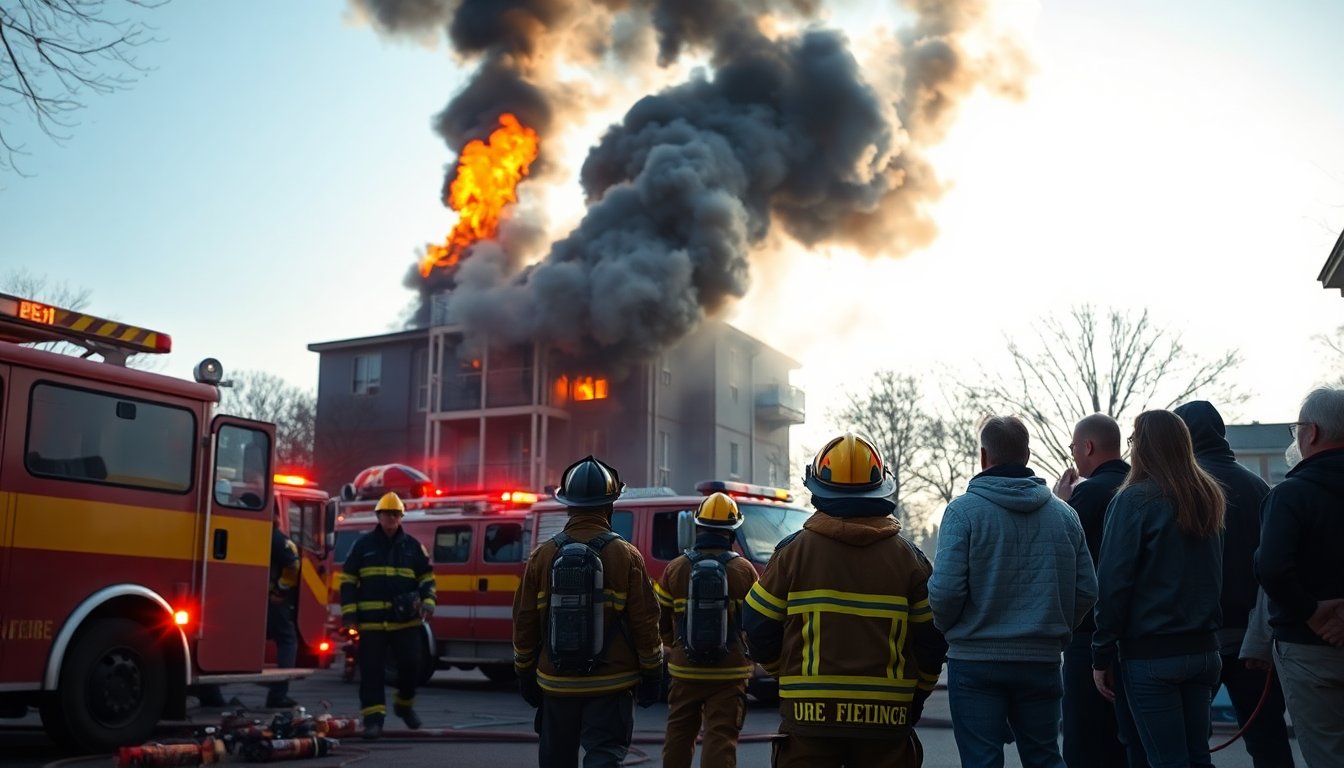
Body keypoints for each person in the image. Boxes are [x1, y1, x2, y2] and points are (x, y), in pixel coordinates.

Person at [743, 432, 946, 768]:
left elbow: (757, 624)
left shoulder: (792, 554)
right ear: (882, 489)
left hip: (808, 718)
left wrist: (787, 675)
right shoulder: (911, 561)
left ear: (817, 490)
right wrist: (916, 698)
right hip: (887, 722)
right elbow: (931, 642)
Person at [929, 415, 1095, 768]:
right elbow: (1087, 590)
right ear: (1027, 455)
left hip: (975, 661)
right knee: (1045, 757)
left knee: (982, 761)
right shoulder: (1064, 516)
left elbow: (944, 593)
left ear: (984, 457)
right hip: (1042, 660)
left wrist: (954, 630)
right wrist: (1056, 627)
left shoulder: (962, 513)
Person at [511, 456, 663, 768]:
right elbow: (645, 623)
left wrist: (525, 672)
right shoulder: (627, 555)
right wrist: (652, 674)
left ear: (567, 505)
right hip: (612, 684)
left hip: (556, 683)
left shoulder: (542, 556)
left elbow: (524, 621)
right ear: (610, 506)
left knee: (556, 759)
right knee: (604, 755)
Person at [1092, 410, 1225, 768]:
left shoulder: (1133, 500)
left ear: (1142, 448)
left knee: (1166, 761)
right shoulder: (1208, 497)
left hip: (1152, 653)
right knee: (1198, 757)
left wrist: (1101, 653)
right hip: (1205, 651)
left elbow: (1114, 584)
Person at [1175, 400, 1295, 768]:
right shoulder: (1260, 487)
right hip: (1254, 640)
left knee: (1188, 745)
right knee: (1269, 741)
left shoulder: (1182, 491)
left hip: (1196, 638)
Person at [1255, 387, 1344, 767]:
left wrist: (1312, 612)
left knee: (1327, 753)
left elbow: (1272, 567)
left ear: (1311, 433)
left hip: (1308, 649)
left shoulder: (1291, 495)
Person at [1051, 413, 1143, 768]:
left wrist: (1061, 503)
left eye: (1074, 447)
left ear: (1087, 446)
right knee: (1128, 742)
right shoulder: (1140, 489)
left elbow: (1058, 552)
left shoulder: (1087, 495)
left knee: (1085, 741)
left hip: (1089, 634)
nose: (1073, 454)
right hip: (1138, 635)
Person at [654, 492, 759, 768]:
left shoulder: (675, 568)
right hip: (730, 671)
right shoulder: (744, 570)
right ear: (732, 532)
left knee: (679, 732)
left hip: (684, 670)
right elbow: (756, 621)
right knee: (721, 736)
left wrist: (674, 646)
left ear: (698, 527)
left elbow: (661, 620)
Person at [338, 491, 436, 740]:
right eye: (386, 514)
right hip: (371, 624)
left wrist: (428, 601)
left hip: (405, 622)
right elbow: (348, 580)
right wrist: (350, 615)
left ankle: (404, 705)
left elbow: (427, 577)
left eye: (395, 514)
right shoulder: (362, 546)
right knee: (371, 672)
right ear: (378, 516)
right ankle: (373, 721)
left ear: (401, 516)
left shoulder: (413, 547)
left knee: (411, 666)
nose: (391, 518)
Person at [265, 511, 302, 709]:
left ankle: (211, 693)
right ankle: (278, 695)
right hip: (274, 601)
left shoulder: (249, 534)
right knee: (287, 641)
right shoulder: (280, 540)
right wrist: (280, 590)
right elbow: (293, 566)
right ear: (277, 518)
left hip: (249, 599)